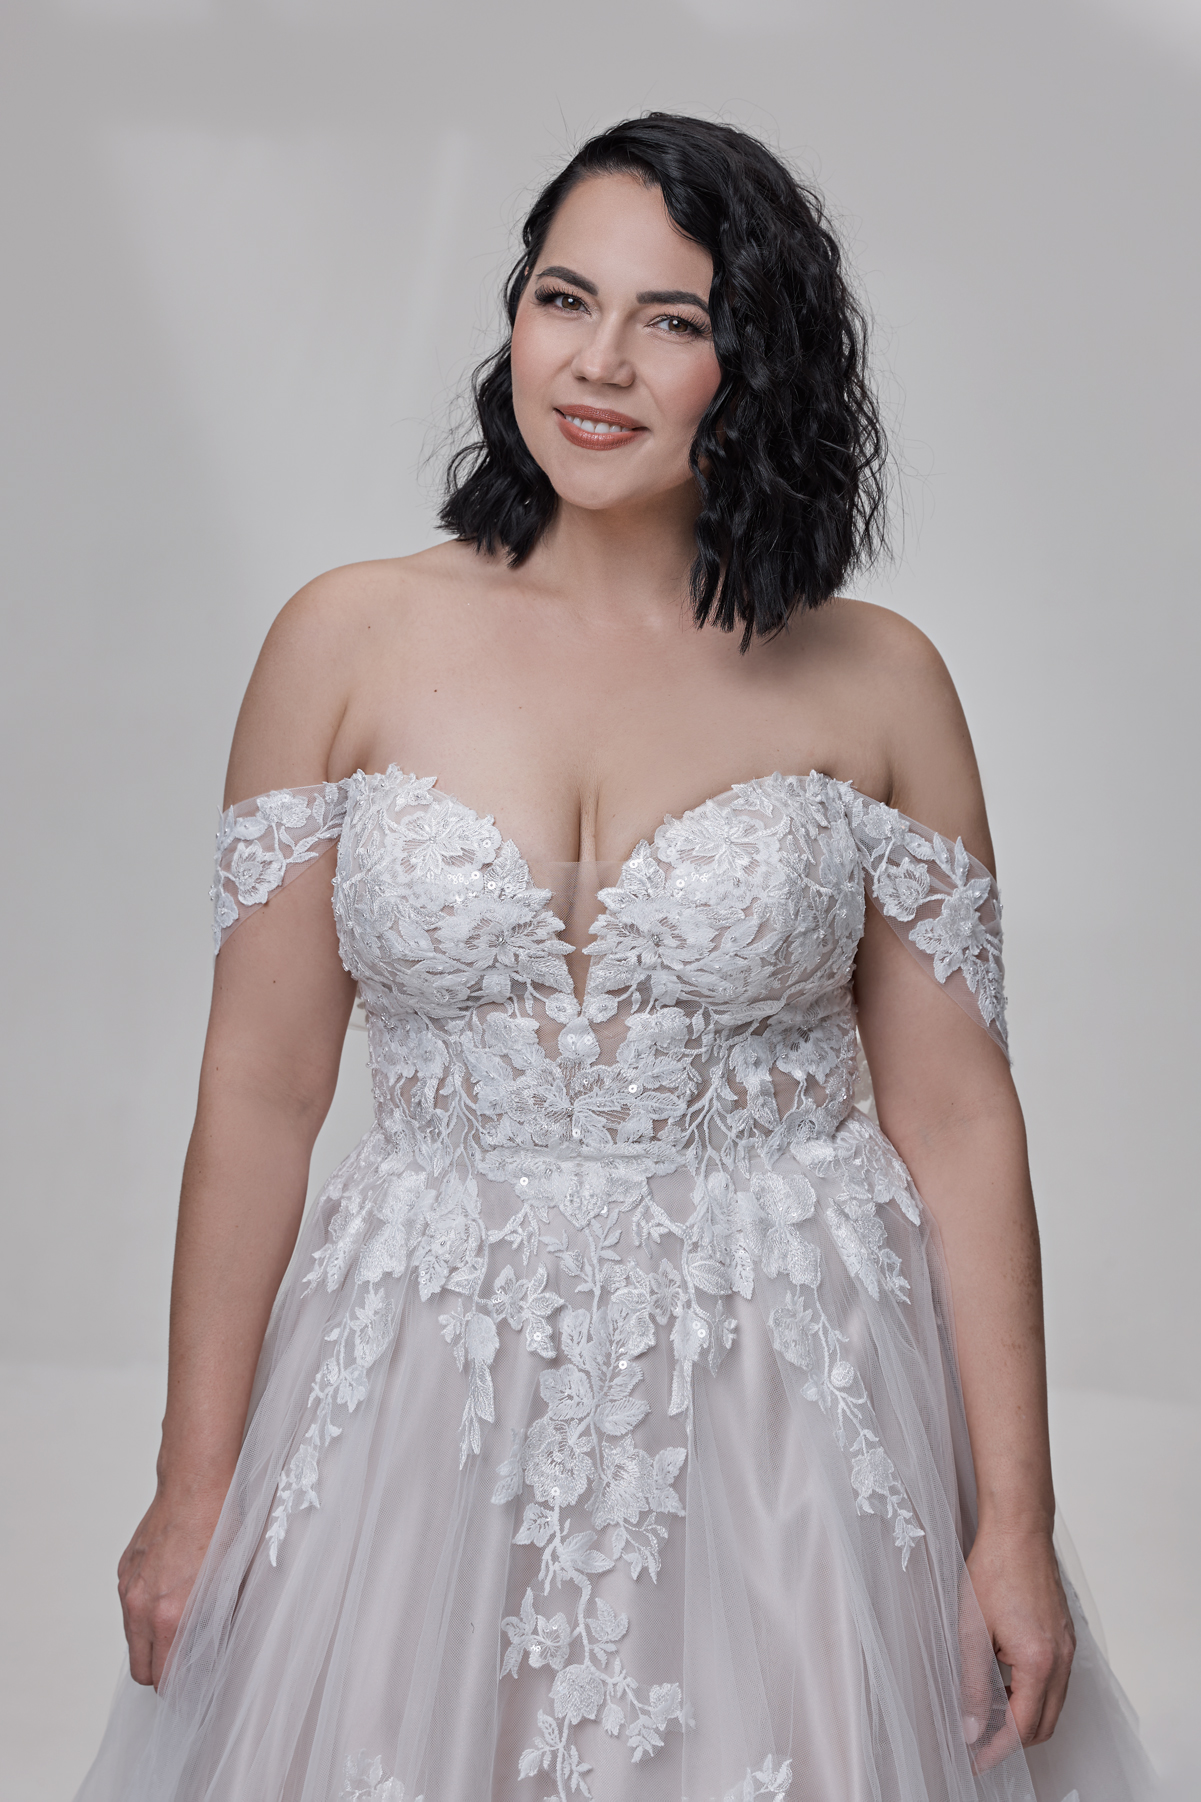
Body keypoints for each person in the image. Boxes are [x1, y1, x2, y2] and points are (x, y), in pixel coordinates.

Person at [75, 114, 1156, 1802]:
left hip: (783, 1399)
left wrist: (1011, 1519)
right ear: (513, 314)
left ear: (757, 362)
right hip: (417, 1382)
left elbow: (957, 1119)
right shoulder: (343, 640)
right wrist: (191, 1477)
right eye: (564, 298)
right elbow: (264, 1087)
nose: (597, 362)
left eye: (671, 319)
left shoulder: (877, 679)